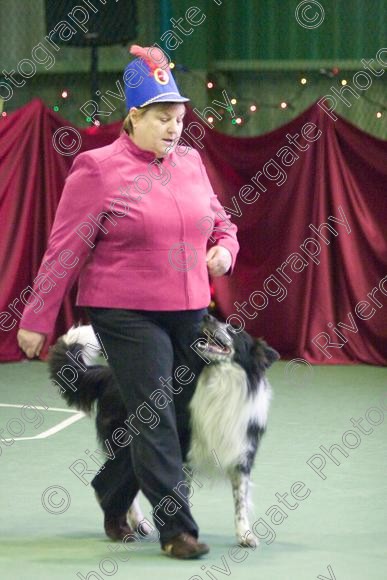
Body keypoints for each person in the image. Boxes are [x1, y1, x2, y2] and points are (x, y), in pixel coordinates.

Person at [17, 45, 239, 559]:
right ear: (134, 117)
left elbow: (222, 222)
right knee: (155, 409)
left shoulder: (191, 163)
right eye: (163, 118)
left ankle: (113, 493)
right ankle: (176, 530)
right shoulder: (97, 169)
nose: (174, 128)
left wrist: (225, 249)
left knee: (182, 416)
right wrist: (36, 317)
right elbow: (64, 248)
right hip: (125, 311)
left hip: (188, 309)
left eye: (180, 118)